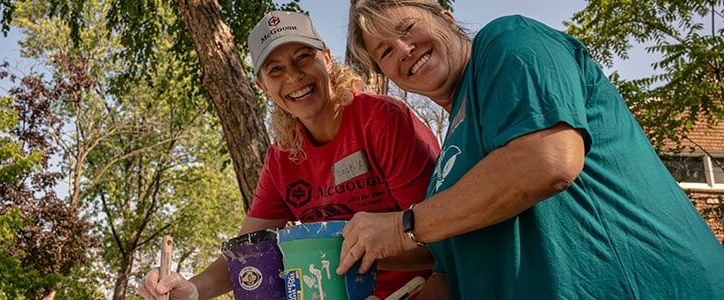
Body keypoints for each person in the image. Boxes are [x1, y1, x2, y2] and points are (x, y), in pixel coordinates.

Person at [337, 0, 724, 299]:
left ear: (446, 19)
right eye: (384, 51)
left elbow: (548, 160)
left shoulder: (508, 41)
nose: (403, 49)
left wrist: (404, 225)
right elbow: (448, 275)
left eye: (407, 28)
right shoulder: (446, 169)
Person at [138, 10, 440, 300]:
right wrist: (191, 291)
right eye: (276, 70)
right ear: (263, 87)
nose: (294, 76)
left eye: (303, 58)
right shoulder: (282, 157)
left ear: (326, 57)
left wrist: (341, 251)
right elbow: (248, 255)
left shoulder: (382, 121)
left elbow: (440, 241)